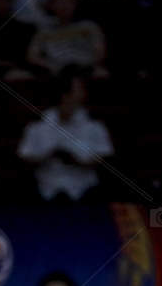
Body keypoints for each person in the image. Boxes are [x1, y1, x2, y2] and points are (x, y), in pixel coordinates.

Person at [15, 70, 113, 202]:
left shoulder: (95, 126)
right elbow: (24, 156)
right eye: (77, 90)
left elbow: (106, 158)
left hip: (86, 192)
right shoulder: (37, 127)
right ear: (63, 95)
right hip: (44, 190)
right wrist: (46, 157)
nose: (82, 94)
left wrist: (78, 162)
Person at [25, 0, 106, 76]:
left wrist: (85, 65)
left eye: (68, 1)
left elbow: (100, 53)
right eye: (60, 1)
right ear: (52, 4)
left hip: (85, 69)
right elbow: (32, 56)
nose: (64, 6)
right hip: (55, 72)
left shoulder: (89, 26)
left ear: (75, 3)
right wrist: (50, 66)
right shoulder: (44, 30)